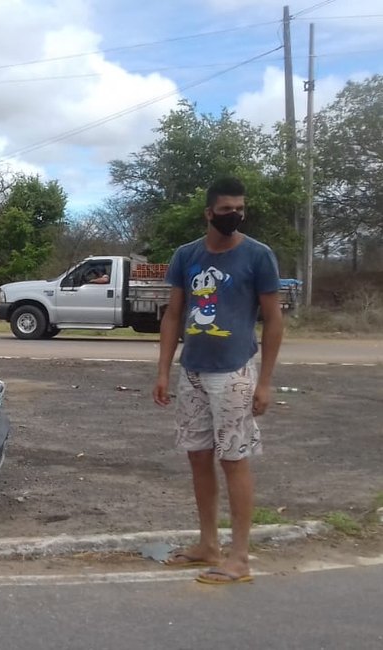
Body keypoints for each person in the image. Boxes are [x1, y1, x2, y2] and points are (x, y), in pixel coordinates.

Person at [153, 176, 283, 586]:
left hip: (234, 372)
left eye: (239, 209)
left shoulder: (258, 256)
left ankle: (240, 557)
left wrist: (265, 381)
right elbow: (173, 315)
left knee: (233, 459)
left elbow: (274, 320)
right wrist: (163, 371)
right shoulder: (186, 255)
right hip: (193, 370)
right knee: (197, 456)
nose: (235, 215)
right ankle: (208, 545)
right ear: (209, 212)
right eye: (226, 209)